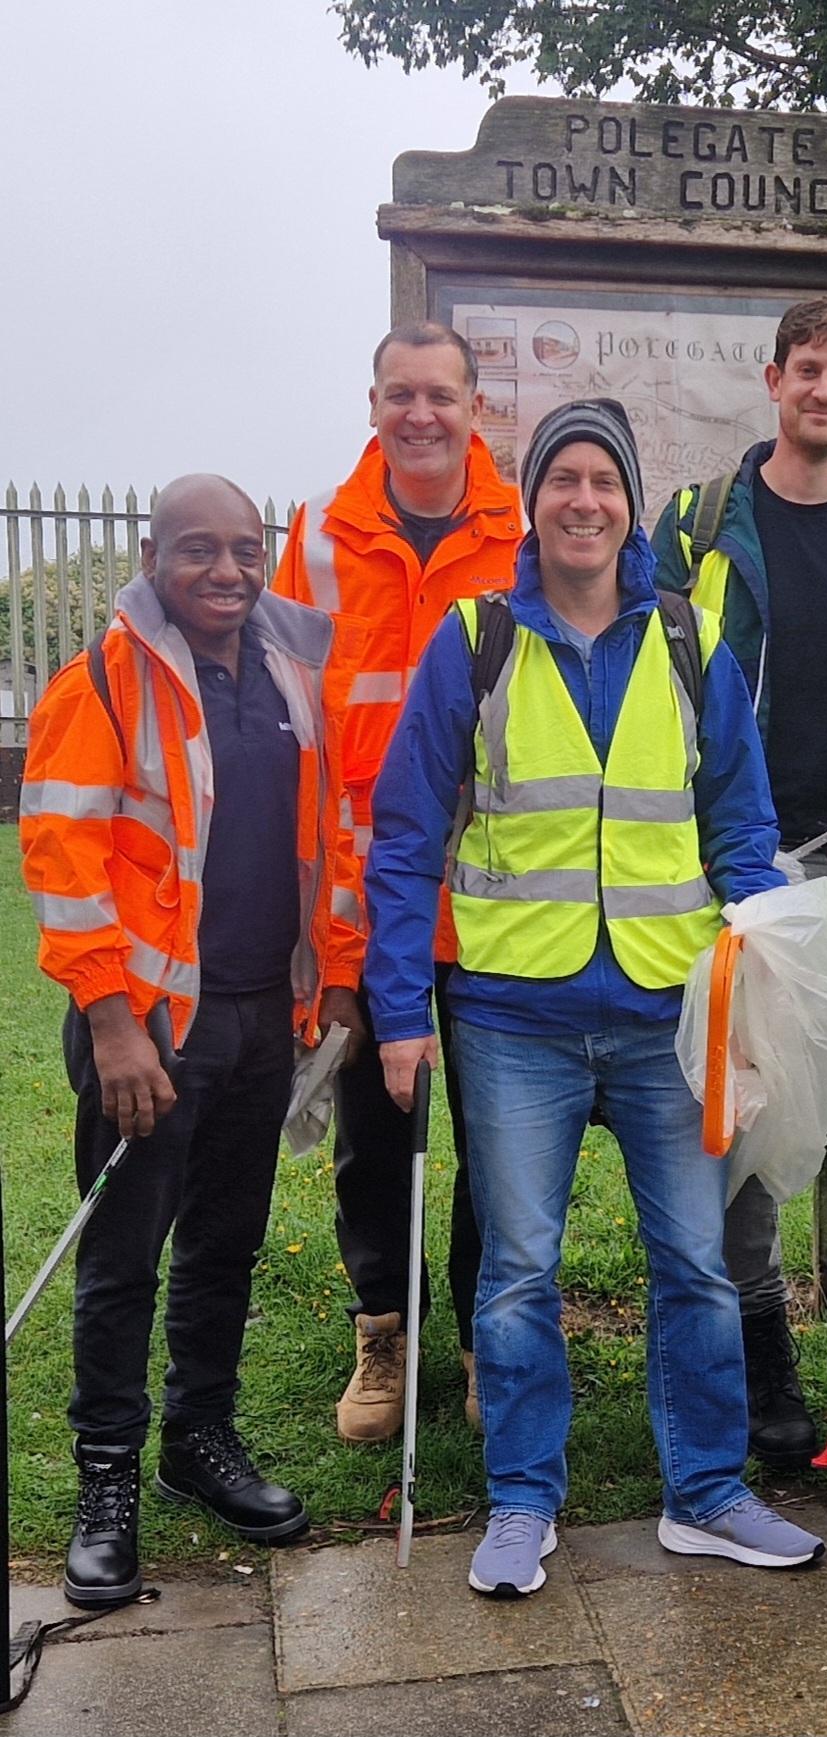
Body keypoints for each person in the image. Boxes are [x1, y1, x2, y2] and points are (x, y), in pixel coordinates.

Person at [364, 399, 826, 1597]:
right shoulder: (475, 639)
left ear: (629, 502)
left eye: (604, 482)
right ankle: (522, 1502)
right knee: (519, 1268)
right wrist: (403, 1011)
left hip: (667, 1007)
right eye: (563, 478)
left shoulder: (686, 638)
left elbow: (739, 819)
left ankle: (708, 1493)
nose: (584, 500)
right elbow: (408, 835)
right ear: (536, 498)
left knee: (696, 1261)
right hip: (516, 1014)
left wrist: (759, 949)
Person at [21, 475, 365, 1605]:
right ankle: (106, 1480)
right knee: (123, 1263)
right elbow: (62, 857)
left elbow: (318, 839)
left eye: (242, 550)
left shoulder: (285, 673)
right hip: (150, 1029)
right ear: (151, 555)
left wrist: (331, 987)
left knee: (227, 1244)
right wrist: (114, 1025)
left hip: (265, 1011)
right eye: (197, 551)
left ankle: (196, 1443)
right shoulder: (105, 683)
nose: (226, 571)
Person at [650, 295, 827, 1488]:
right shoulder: (696, 522)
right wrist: (723, 858)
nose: (824, 390)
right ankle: (763, 1367)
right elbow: (652, 697)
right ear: (772, 381)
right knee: (748, 1117)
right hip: (749, 874)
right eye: (806, 369)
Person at [272, 322, 522, 1442]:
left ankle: (484, 1340)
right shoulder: (318, 538)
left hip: (503, 897)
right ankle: (384, 1338)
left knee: (501, 1136)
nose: (420, 414)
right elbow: (284, 724)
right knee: (375, 1135)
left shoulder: (523, 529)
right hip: (368, 902)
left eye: (441, 394)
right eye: (399, 395)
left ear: (477, 406)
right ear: (371, 404)